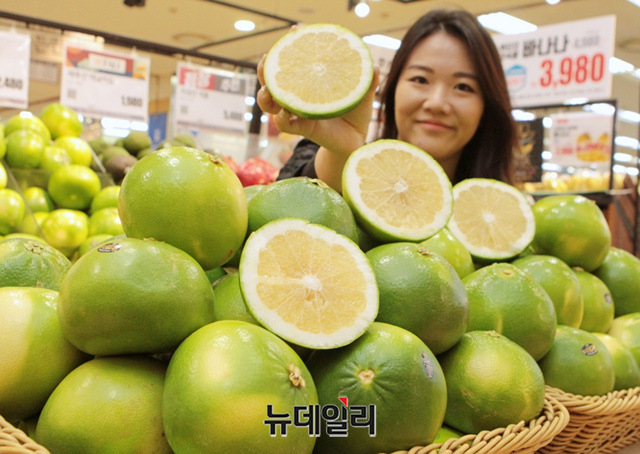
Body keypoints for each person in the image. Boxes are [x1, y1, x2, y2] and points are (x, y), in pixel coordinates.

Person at [257, 8, 521, 193]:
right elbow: (286, 220)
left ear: (487, 105)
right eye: (420, 79)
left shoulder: (505, 213)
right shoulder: (325, 154)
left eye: (463, 87)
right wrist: (341, 153)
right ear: (393, 88)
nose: (436, 103)